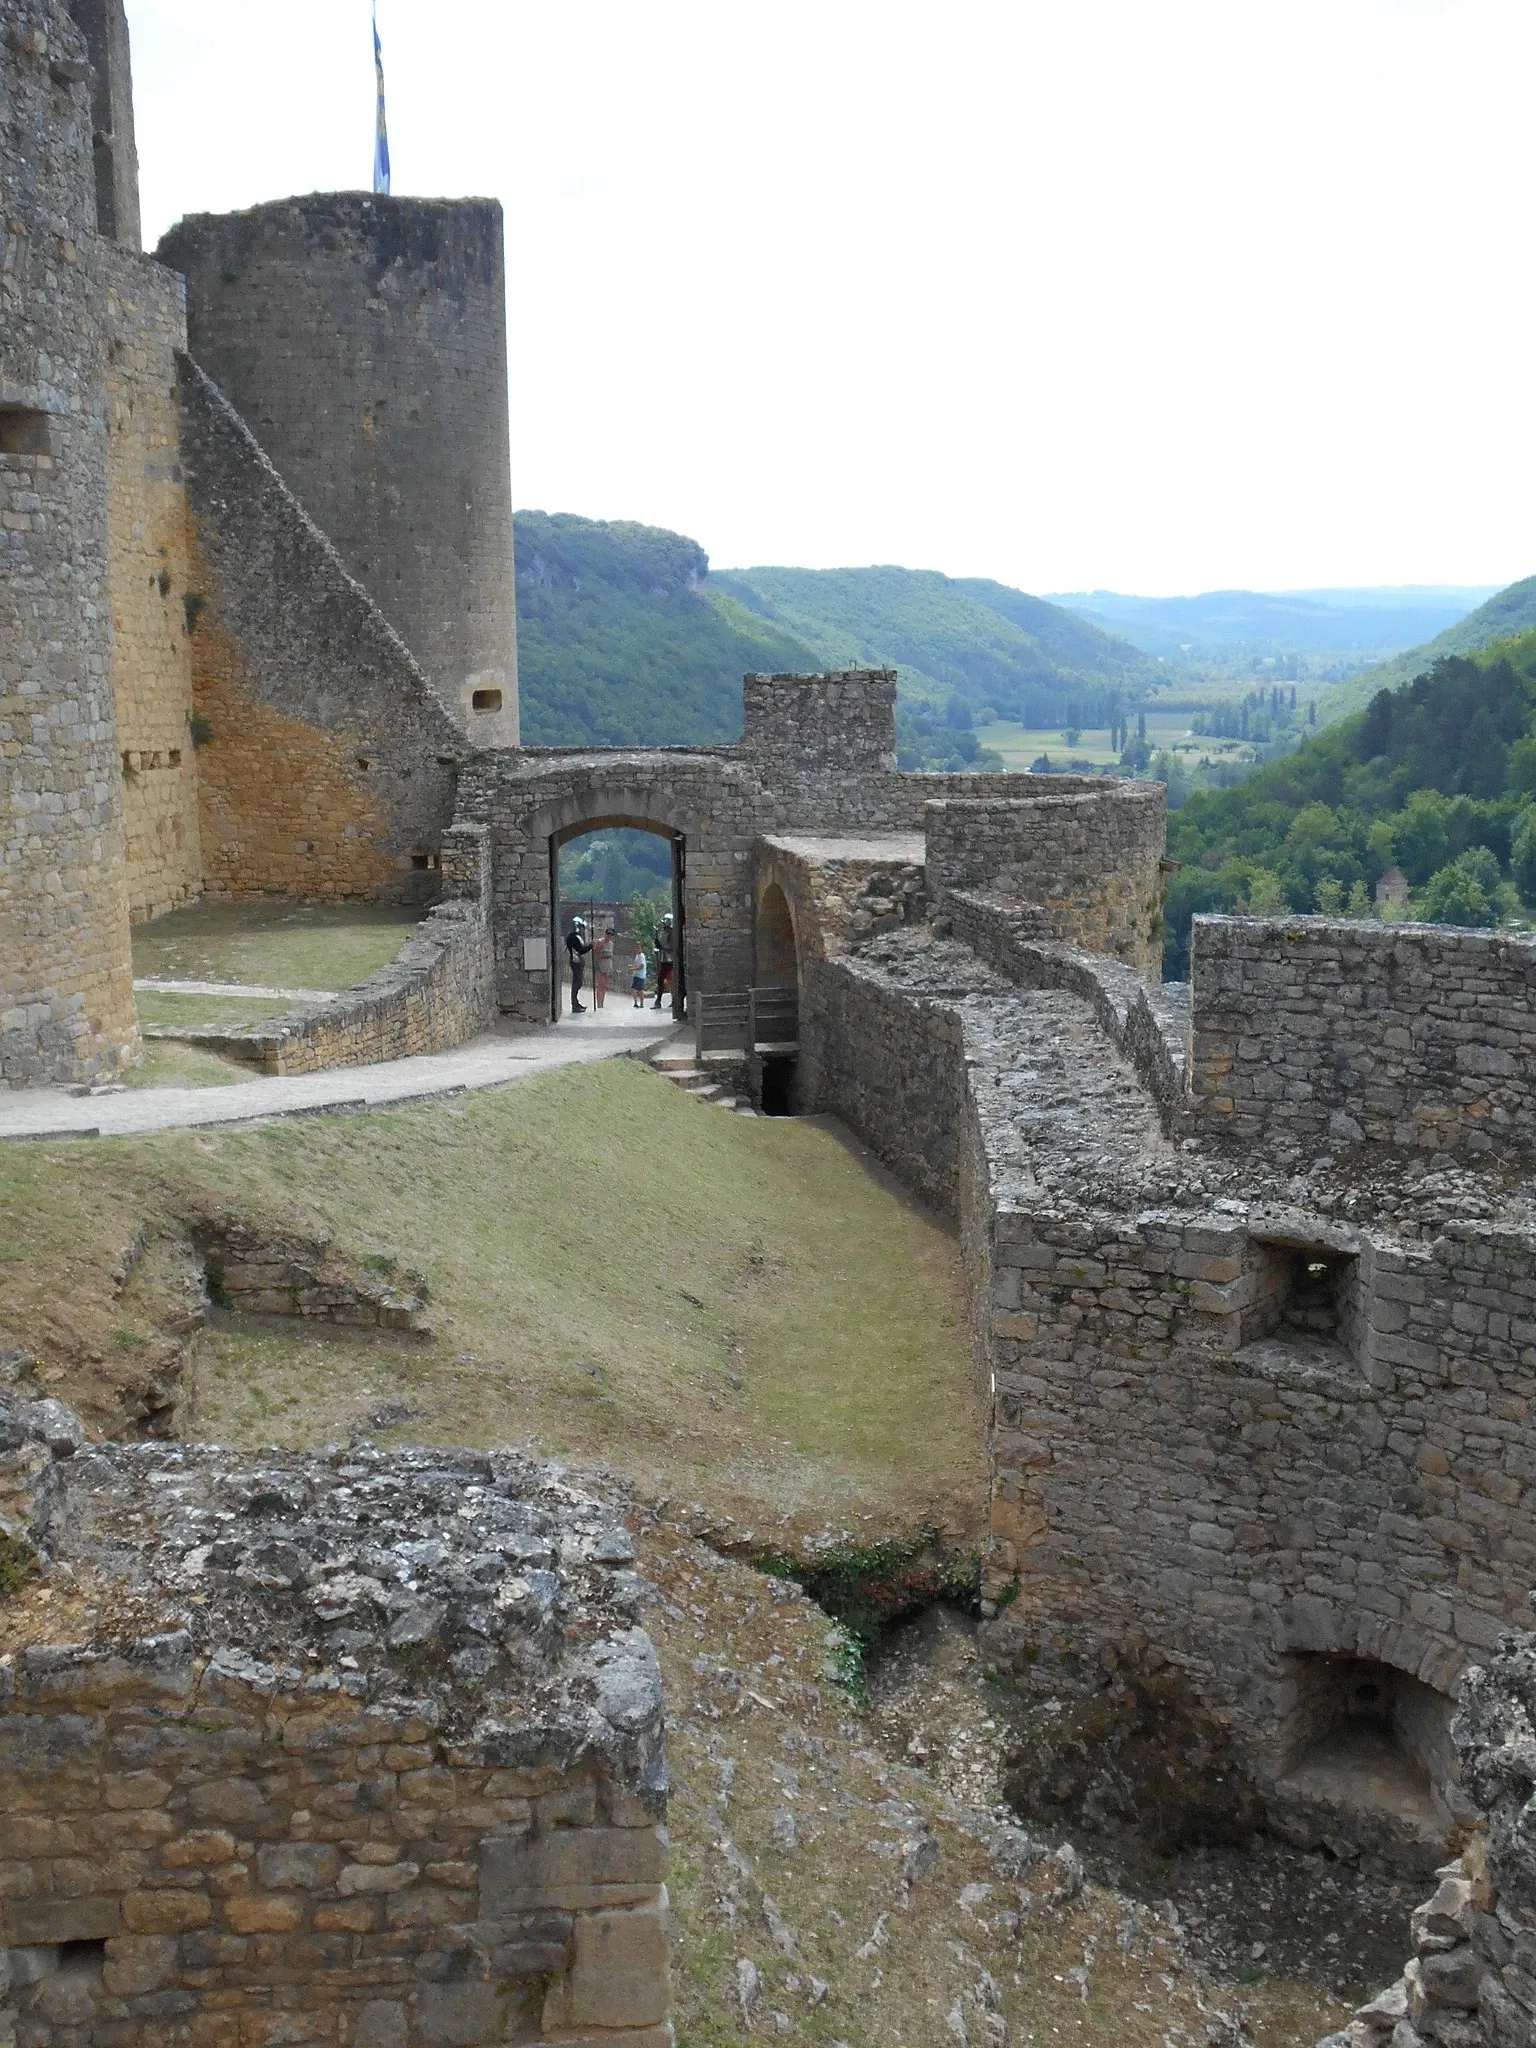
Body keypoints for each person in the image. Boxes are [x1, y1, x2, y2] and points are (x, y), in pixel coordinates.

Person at [565, 915, 591, 1013]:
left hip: (576, 961)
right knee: (577, 983)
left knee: (578, 982)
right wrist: (590, 946)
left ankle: (576, 1003)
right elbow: (580, 950)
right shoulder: (574, 938)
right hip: (576, 961)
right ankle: (574, 1004)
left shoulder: (573, 937)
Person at [653, 913, 675, 1010]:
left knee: (666, 979)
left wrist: (661, 947)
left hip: (670, 959)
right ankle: (661, 1000)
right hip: (663, 958)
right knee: (664, 980)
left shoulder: (672, 933)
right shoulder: (664, 932)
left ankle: (659, 1000)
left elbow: (672, 947)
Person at [594, 924, 615, 1009]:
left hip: (608, 966)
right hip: (600, 965)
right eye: (608, 934)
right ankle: (598, 1003)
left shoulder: (611, 944)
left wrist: (611, 969)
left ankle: (602, 1002)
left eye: (611, 935)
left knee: (605, 985)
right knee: (600, 985)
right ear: (605, 934)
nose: (609, 936)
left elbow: (611, 956)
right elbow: (596, 954)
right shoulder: (600, 942)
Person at [631, 944, 648, 1008]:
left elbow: (641, 966)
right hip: (637, 975)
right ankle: (639, 1003)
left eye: (639, 948)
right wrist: (632, 968)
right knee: (639, 990)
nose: (637, 949)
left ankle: (638, 1003)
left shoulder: (641, 956)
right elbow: (636, 965)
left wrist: (633, 969)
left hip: (640, 975)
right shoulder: (637, 956)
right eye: (636, 948)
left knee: (635, 989)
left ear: (641, 949)